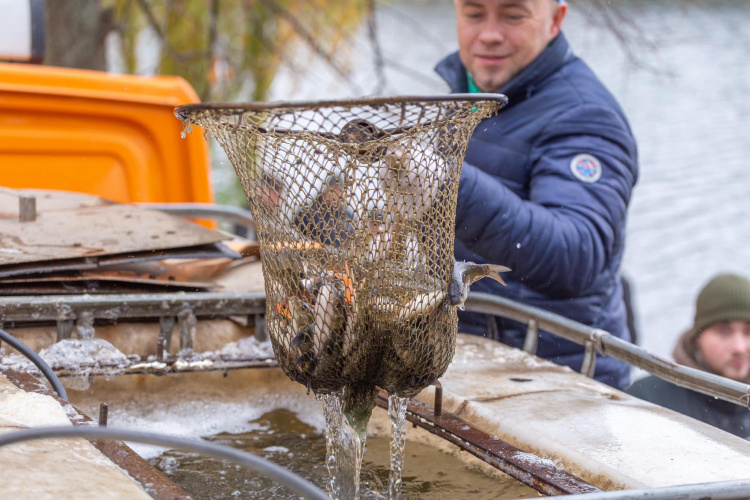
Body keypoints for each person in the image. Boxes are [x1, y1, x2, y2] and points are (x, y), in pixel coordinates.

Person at [436, 0, 639, 389]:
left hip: (561, 384)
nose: (490, 34)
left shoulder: (586, 116)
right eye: (474, 14)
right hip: (474, 364)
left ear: (555, 20)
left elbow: (576, 253)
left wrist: (447, 185)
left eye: (513, 15)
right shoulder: (464, 97)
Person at [627, 274, 750, 439]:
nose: (739, 348)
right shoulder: (648, 401)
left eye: (748, 331)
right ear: (698, 337)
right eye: (724, 331)